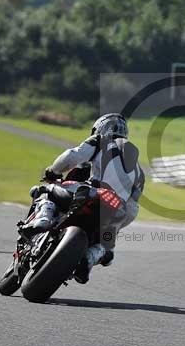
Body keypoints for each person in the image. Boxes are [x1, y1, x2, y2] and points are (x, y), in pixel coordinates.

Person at [34, 113, 145, 284]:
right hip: (118, 208)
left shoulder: (101, 140)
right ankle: (91, 257)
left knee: (48, 190)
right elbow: (132, 210)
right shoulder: (139, 171)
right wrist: (116, 224)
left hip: (94, 192)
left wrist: (53, 171)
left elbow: (73, 155)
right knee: (107, 246)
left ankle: (44, 217)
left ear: (100, 128)